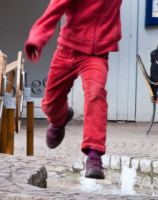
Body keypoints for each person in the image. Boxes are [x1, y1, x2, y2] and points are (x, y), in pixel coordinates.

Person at [24, 0, 123, 180]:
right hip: (66, 50)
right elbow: (54, 11)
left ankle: (94, 155)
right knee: (50, 105)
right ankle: (58, 119)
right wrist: (36, 39)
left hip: (96, 55)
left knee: (96, 93)